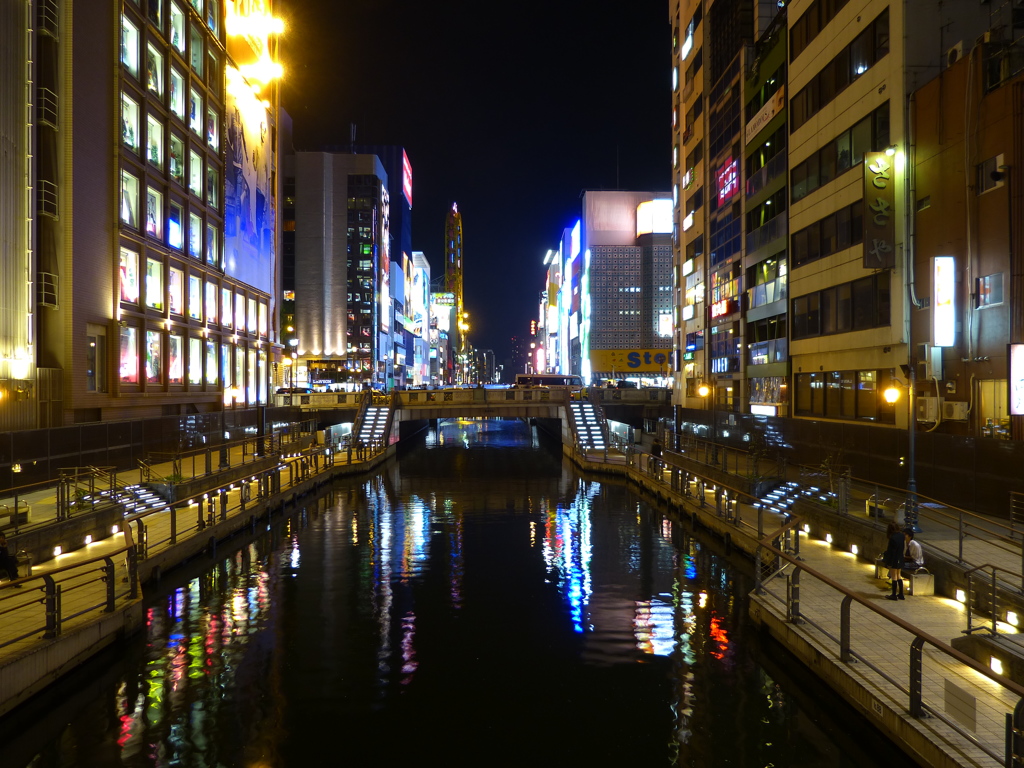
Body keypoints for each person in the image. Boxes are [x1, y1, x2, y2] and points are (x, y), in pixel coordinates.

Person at [882, 522, 905, 600]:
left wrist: (888, 561)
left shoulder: (892, 538)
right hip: (900, 558)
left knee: (894, 576)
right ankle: (901, 594)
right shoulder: (902, 536)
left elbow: (891, 551)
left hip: (894, 559)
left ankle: (894, 595)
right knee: (899, 576)